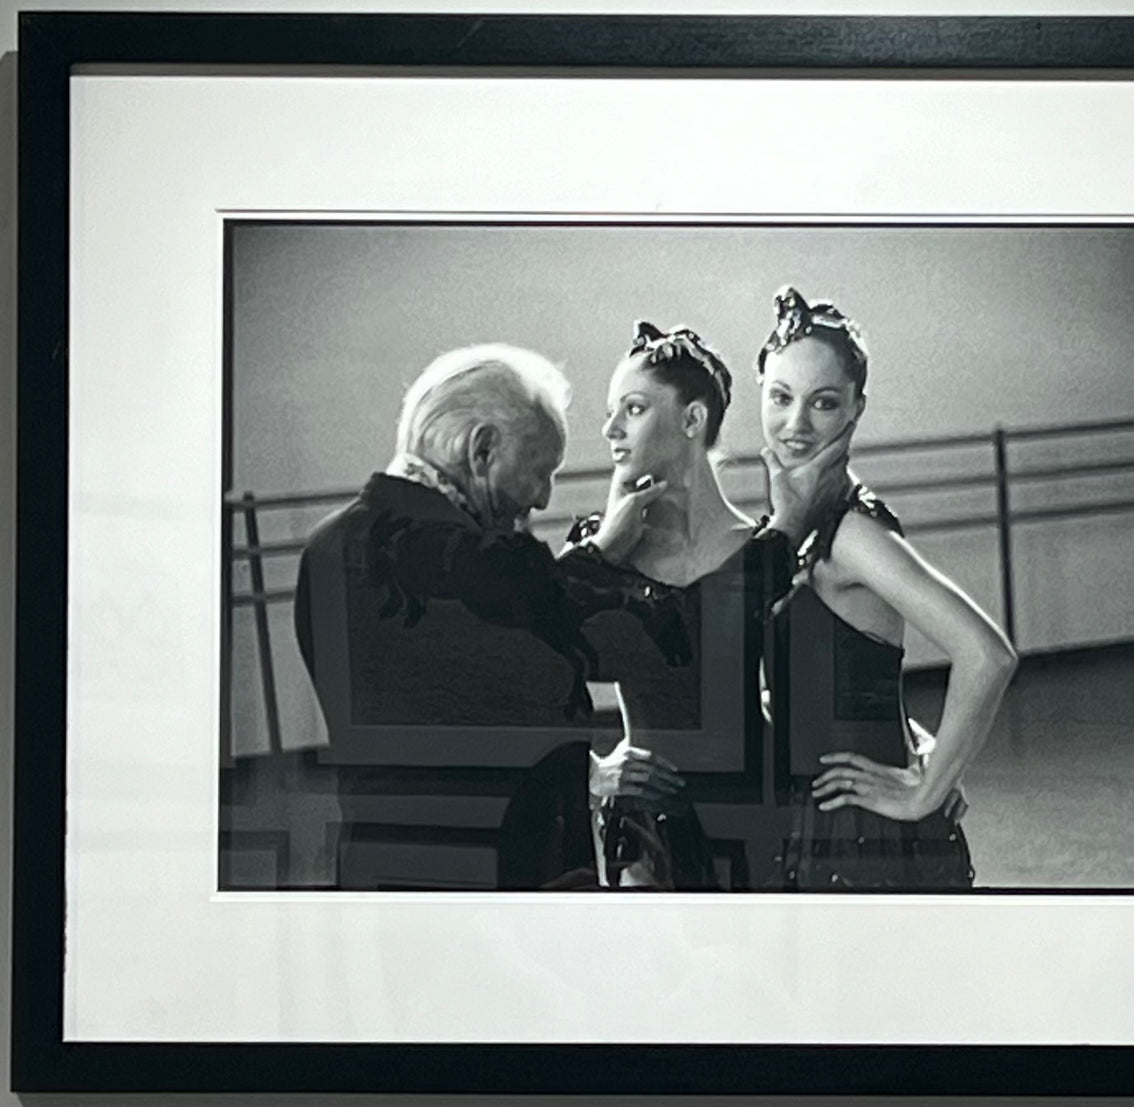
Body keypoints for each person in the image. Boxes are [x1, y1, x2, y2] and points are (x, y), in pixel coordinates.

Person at [292, 343, 686, 888]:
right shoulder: (477, 565)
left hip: (378, 875)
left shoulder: (326, 547)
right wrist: (602, 557)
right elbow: (537, 644)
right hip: (496, 886)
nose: (545, 498)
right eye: (539, 469)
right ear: (481, 449)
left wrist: (586, 770)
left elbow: (444, 711)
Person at [555, 321, 851, 889]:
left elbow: (828, 685)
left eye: (633, 409)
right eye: (612, 411)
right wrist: (589, 772)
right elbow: (533, 657)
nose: (610, 428)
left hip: (760, 822)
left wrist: (915, 751)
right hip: (646, 836)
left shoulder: (768, 549)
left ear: (693, 419)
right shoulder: (598, 552)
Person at [756, 286, 1019, 890]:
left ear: (856, 408)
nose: (795, 424)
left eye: (823, 403)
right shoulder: (792, 518)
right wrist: (921, 743)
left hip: (862, 839)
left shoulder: (852, 532)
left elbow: (988, 653)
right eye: (780, 397)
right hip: (816, 820)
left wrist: (927, 788)